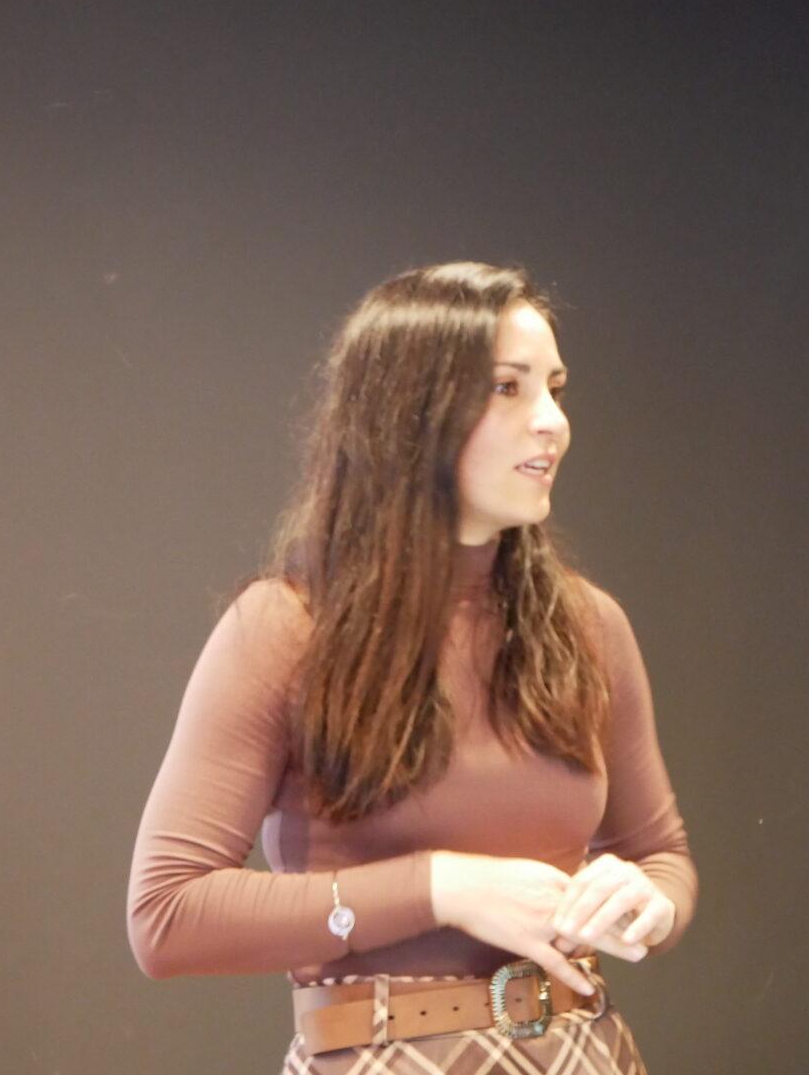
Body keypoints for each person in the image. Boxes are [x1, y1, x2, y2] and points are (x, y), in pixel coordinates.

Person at [125, 261, 698, 1074]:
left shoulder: (587, 624)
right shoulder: (287, 628)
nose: (552, 422)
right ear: (411, 413)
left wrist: (651, 901)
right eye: (508, 388)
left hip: (583, 1052)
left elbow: (662, 855)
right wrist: (440, 887)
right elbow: (167, 914)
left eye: (556, 389)